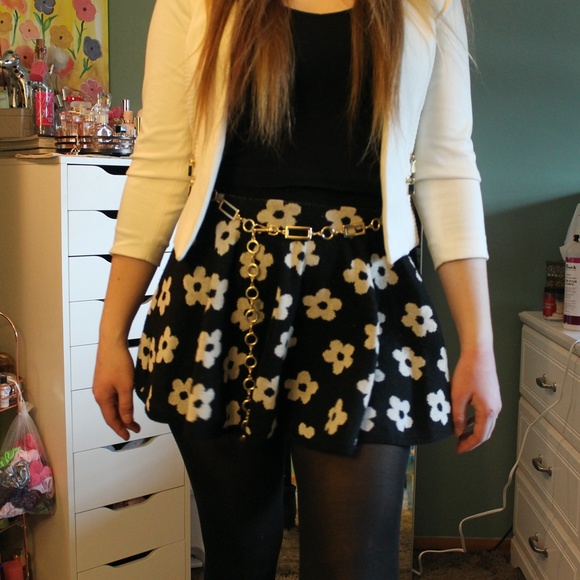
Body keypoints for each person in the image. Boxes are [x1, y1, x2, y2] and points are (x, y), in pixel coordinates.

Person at [92, 0, 502, 578]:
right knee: (238, 558)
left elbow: (448, 166)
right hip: (222, 294)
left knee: (356, 566)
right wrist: (112, 335)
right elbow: (160, 160)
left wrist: (479, 347)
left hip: (366, 297)